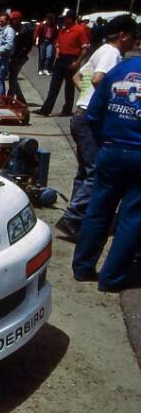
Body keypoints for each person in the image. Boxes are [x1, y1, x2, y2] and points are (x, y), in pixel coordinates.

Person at [71, 25, 141, 292]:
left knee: (98, 210)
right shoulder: (117, 65)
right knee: (131, 217)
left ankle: (82, 267)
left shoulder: (120, 70)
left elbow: (94, 111)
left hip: (112, 150)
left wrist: (106, 141)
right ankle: (111, 278)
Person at [56, 15, 136, 241]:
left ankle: (76, 216)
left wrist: (85, 98)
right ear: (123, 35)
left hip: (81, 115)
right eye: (133, 38)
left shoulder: (101, 50)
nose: (134, 44)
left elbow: (78, 76)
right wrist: (105, 104)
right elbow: (98, 79)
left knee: (84, 171)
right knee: (95, 171)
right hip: (91, 119)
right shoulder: (112, 53)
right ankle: (73, 218)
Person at [34, 10, 91, 117]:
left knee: (69, 87)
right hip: (61, 59)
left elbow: (85, 48)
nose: (63, 20)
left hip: (71, 59)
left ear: (70, 18)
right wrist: (57, 53)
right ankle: (46, 109)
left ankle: (67, 109)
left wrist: (77, 62)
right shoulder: (63, 30)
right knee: (54, 86)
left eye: (64, 18)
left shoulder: (79, 30)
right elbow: (58, 44)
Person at [8, 11, 33, 104]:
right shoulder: (13, 29)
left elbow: (27, 46)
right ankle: (21, 99)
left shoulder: (25, 30)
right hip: (14, 56)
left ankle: (9, 98)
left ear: (18, 19)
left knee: (13, 77)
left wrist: (18, 56)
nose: (12, 21)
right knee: (13, 77)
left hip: (20, 57)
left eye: (14, 19)